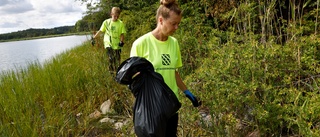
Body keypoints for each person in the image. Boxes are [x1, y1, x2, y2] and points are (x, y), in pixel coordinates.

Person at [130, 0, 201, 136]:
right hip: (151, 109)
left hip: (171, 106)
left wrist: (187, 92)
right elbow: (135, 80)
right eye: (173, 23)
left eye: (178, 24)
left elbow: (174, 72)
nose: (176, 28)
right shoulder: (141, 44)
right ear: (161, 20)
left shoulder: (174, 43)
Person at [94, 7, 126, 73]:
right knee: (111, 58)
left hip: (117, 44)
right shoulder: (106, 22)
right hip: (108, 44)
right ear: (111, 14)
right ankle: (111, 73)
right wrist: (94, 38)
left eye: (117, 16)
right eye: (115, 16)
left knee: (117, 60)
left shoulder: (120, 23)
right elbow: (100, 31)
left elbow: (122, 34)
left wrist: (121, 41)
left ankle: (118, 72)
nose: (116, 18)